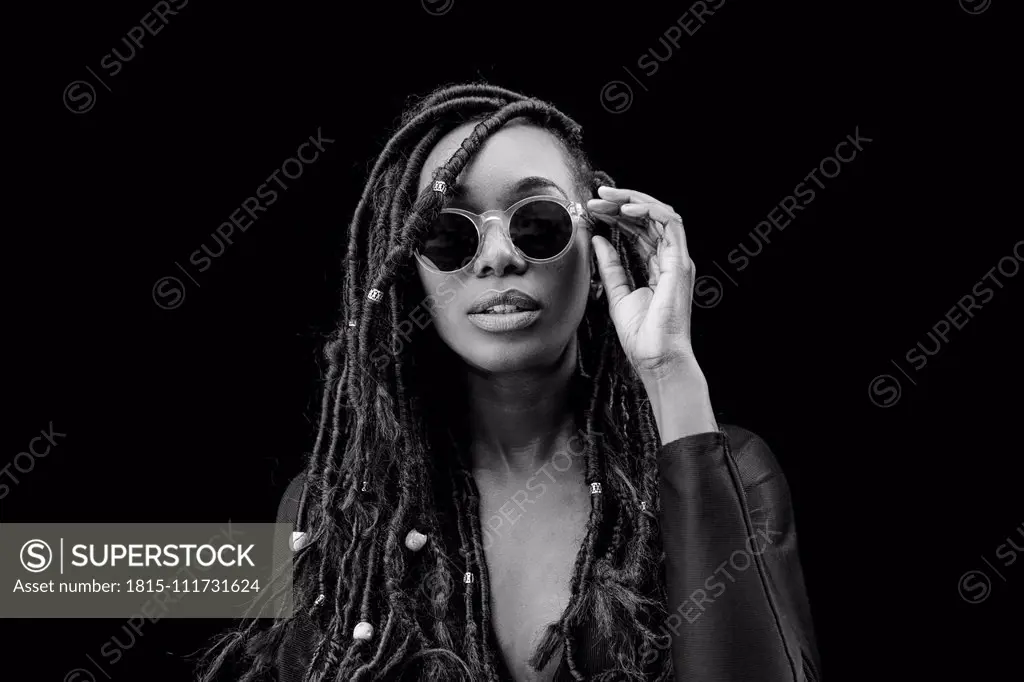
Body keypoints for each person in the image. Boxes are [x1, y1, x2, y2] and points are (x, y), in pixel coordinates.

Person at [198, 82, 821, 681]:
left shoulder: (731, 472)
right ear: (411, 272)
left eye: (538, 222)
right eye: (449, 233)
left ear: (599, 250)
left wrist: (670, 375)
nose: (498, 256)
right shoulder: (337, 510)